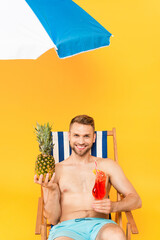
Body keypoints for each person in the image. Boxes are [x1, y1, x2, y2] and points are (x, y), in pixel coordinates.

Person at [34, 115, 142, 240]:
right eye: (76, 135)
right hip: (67, 229)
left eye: (86, 136)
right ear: (69, 137)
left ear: (93, 138)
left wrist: (114, 206)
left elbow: (136, 200)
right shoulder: (56, 170)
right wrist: (52, 190)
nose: (81, 141)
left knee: (115, 235)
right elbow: (52, 218)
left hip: (101, 226)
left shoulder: (107, 165)